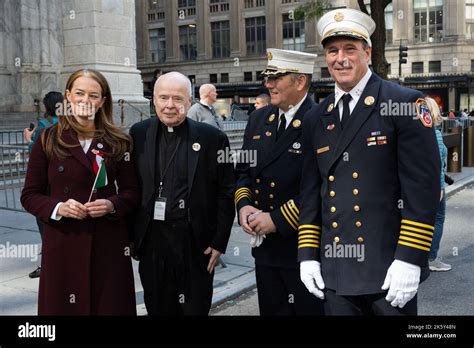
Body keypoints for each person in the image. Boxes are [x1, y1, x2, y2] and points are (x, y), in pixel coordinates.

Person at [298, 9, 440, 316]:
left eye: (350, 49)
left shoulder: (404, 103)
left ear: (368, 52)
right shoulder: (315, 117)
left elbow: (423, 190)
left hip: (388, 270)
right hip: (335, 273)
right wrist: (307, 254)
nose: (341, 59)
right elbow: (311, 194)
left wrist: (410, 258)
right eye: (333, 51)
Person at [20, 69, 139, 315]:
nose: (86, 100)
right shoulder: (47, 138)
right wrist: (58, 208)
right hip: (63, 242)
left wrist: (111, 205)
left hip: (107, 244)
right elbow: (30, 195)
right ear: (68, 96)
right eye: (80, 93)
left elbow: (132, 193)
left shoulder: (118, 141)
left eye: (93, 95)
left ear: (103, 101)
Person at [129, 72, 235, 315]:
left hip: (195, 243)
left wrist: (219, 242)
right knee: (158, 307)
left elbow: (226, 192)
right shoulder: (138, 134)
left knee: (194, 309)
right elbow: (131, 186)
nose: (169, 105)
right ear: (153, 100)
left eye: (178, 99)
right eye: (163, 97)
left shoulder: (213, 138)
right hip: (153, 241)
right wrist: (132, 237)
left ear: (189, 102)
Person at [235, 48, 324, 315]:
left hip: (302, 248)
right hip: (265, 251)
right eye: (267, 77)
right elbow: (243, 171)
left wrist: (276, 219)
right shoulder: (259, 118)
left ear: (300, 82)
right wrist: (244, 206)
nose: (268, 84)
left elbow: (323, 187)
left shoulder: (321, 120)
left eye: (276, 77)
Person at [23, 91, 63, 279]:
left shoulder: (44, 126)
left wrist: (29, 139)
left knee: (45, 226)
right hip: (64, 182)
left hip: (47, 184)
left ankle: (47, 265)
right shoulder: (69, 123)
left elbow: (36, 151)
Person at [425, 97, 451, 272]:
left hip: (422, 185)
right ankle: (432, 258)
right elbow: (436, 163)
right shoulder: (434, 133)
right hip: (434, 185)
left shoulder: (419, 133)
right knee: (437, 220)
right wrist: (439, 186)